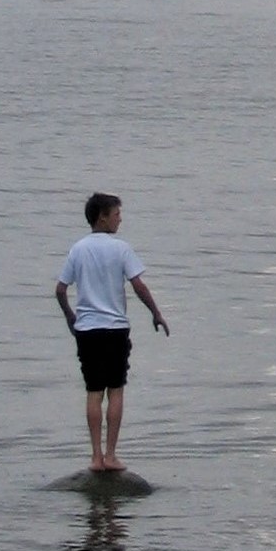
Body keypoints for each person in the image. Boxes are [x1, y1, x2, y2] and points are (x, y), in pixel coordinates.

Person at [55, 193, 169, 472]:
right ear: (102, 217)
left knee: (94, 391)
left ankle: (95, 458)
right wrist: (156, 312)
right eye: (117, 214)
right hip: (115, 329)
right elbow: (138, 285)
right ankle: (111, 455)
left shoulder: (77, 249)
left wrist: (71, 317)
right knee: (115, 390)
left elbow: (60, 290)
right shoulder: (120, 248)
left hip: (87, 331)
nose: (120, 219)